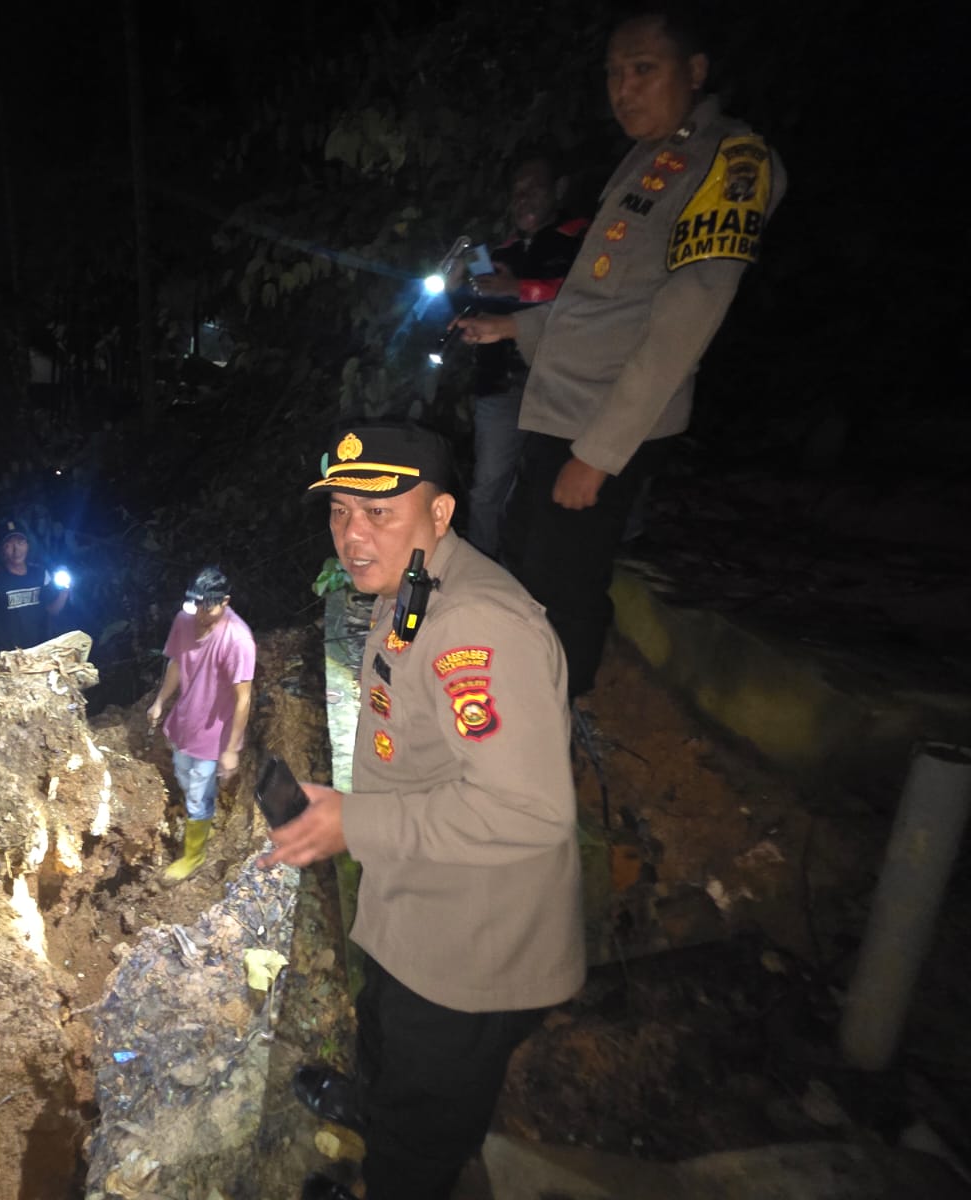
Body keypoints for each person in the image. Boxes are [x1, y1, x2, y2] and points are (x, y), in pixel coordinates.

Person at [266, 424, 583, 1200]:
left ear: (441, 513)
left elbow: (530, 810)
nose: (352, 535)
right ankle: (372, 1109)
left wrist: (355, 823)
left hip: (468, 949)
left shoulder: (477, 627)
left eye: (380, 512)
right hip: (415, 904)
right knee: (383, 1036)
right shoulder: (417, 582)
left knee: (426, 1124)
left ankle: (396, 1167)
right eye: (341, 511)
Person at [457, 3, 787, 697]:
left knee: (564, 587)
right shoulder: (645, 162)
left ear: (694, 72)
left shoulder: (729, 160)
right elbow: (598, 303)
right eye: (614, 73)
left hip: (600, 422)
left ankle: (551, 728)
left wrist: (598, 455)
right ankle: (514, 703)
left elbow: (686, 318)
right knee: (524, 565)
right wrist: (514, 329)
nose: (623, 89)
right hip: (558, 408)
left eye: (643, 69)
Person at [464, 154, 588, 559]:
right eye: (516, 192)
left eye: (533, 188)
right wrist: (460, 295)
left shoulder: (583, 237)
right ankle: (483, 577)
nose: (522, 198)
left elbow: (589, 302)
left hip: (559, 386)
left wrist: (517, 288)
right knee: (488, 488)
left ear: (559, 189)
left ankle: (537, 573)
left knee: (547, 485)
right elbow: (476, 309)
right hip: (499, 384)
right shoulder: (504, 250)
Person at [146, 566, 255, 881]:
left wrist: (232, 748)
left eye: (206, 606)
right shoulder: (185, 620)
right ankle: (198, 809)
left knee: (197, 792)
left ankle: (193, 856)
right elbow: (178, 663)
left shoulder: (238, 640)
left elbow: (243, 698)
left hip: (213, 736)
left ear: (224, 602)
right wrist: (159, 702)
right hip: (184, 723)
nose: (198, 614)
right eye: (194, 605)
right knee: (183, 774)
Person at [0, 518, 72, 665]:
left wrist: (65, 590)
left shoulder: (40, 574)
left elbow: (52, 610)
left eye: (20, 543)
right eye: (9, 545)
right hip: (5, 661)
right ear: (1, 549)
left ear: (28, 545)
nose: (16, 550)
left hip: (38, 656)